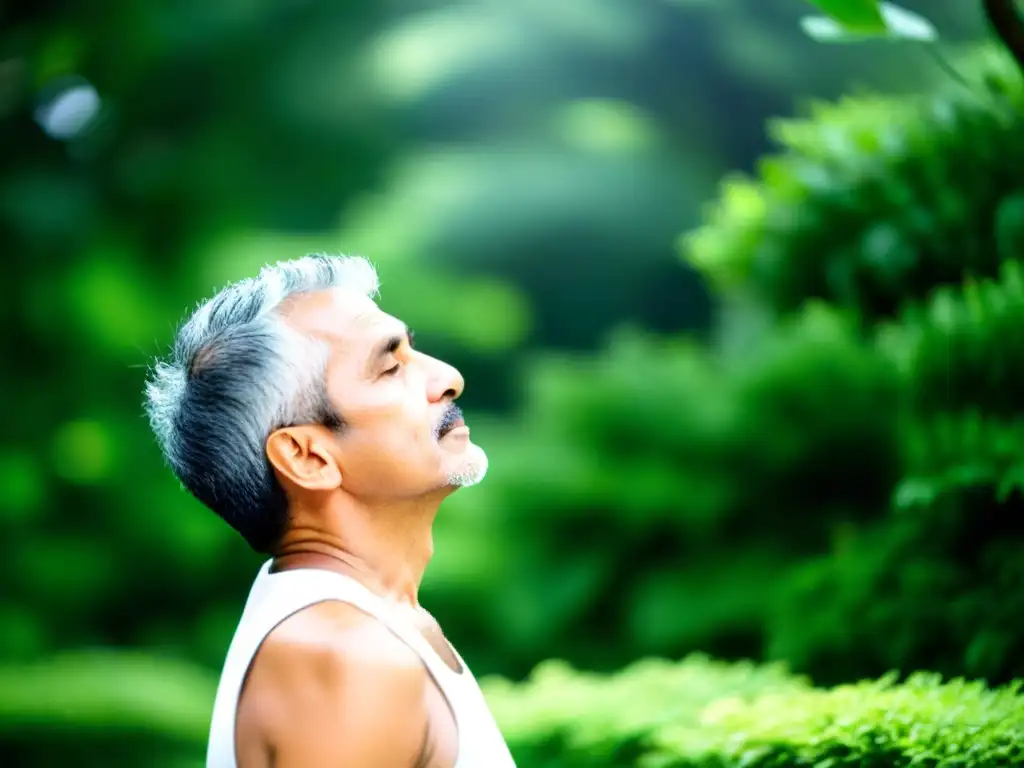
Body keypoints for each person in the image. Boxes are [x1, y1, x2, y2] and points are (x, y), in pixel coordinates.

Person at [144, 254, 517, 768]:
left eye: (413, 350)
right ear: (308, 457)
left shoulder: (360, 628)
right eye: (390, 367)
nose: (448, 378)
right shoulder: (346, 657)